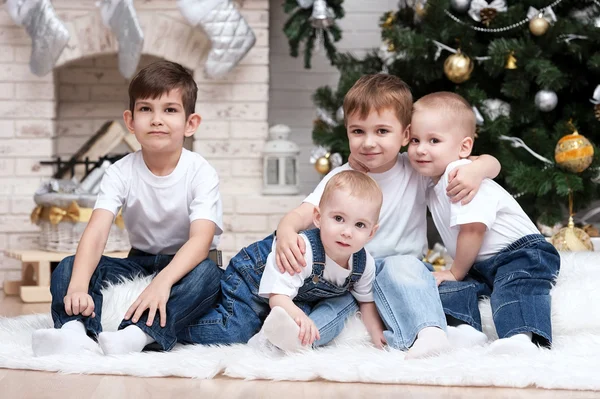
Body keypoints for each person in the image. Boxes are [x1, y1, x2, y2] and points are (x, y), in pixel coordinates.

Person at [275, 74, 502, 358]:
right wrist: (286, 229)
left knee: (405, 272)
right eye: (358, 131)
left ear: (405, 135)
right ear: (347, 132)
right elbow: (302, 214)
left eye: (382, 131)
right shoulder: (342, 178)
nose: (369, 142)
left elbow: (491, 163)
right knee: (336, 308)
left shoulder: (416, 168)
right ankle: (292, 335)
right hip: (353, 275)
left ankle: (429, 333)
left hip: (402, 266)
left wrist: (477, 170)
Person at [32, 61, 224, 356]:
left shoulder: (201, 171)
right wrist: (78, 286)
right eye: (146, 109)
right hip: (139, 261)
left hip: (186, 265)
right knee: (70, 266)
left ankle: (137, 335)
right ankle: (74, 329)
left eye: (170, 110)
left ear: (191, 123)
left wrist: (161, 284)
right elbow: (96, 233)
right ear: (130, 120)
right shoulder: (120, 171)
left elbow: (200, 241)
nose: (157, 119)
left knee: (210, 275)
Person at [408, 91, 560, 353]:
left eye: (434, 140)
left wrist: (456, 270)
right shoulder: (432, 180)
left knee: (516, 285)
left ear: (464, 147)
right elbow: (490, 162)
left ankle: (520, 338)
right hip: (481, 262)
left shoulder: (459, 177)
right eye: (414, 140)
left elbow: (473, 229)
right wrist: (456, 274)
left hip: (523, 252)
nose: (421, 148)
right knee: (449, 286)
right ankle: (463, 329)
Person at [178, 171, 386, 350]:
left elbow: (366, 302)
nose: (347, 232)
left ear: (371, 233)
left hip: (292, 295)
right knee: (234, 331)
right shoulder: (304, 251)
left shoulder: (363, 263)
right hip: (251, 279)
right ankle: (174, 327)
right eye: (338, 219)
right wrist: (298, 316)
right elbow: (278, 297)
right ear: (318, 218)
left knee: (295, 325)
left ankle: (265, 337)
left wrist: (377, 336)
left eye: (360, 225)